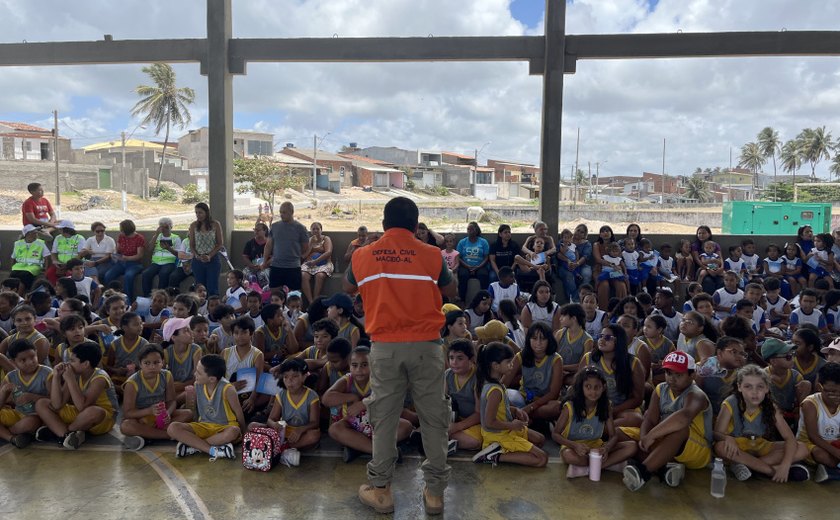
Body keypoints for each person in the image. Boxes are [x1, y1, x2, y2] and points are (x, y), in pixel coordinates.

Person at [343, 196, 455, 515]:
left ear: (383, 225)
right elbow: (451, 290)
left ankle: (381, 491)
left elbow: (348, 287)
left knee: (384, 420)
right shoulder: (433, 254)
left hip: (386, 348)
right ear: (416, 225)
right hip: (427, 347)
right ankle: (434, 494)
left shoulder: (364, 255)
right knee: (434, 419)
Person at [622, 351, 714, 492]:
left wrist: (651, 436)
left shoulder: (696, 395)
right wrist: (644, 438)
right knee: (623, 434)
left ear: (692, 375)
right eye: (669, 373)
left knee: (679, 429)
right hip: (667, 443)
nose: (672, 379)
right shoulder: (660, 389)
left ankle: (643, 472)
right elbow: (650, 419)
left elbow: (683, 418)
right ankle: (664, 469)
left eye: (679, 375)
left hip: (697, 450)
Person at [713, 364, 810, 482]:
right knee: (720, 447)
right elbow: (717, 434)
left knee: (802, 448)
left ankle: (752, 468)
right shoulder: (730, 403)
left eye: (760, 387)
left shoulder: (770, 406)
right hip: (737, 448)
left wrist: (785, 465)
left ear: (766, 388)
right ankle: (771, 471)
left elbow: (789, 438)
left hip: (759, 447)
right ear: (739, 387)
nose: (754, 392)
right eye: (748, 386)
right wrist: (728, 438)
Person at [471, 341, 548, 468]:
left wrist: (514, 410)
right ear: (495, 365)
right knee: (541, 459)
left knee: (540, 439)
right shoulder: (495, 390)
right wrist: (512, 425)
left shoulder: (495, 383)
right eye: (508, 362)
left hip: (504, 430)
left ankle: (503, 450)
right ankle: (493, 455)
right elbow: (489, 422)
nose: (512, 365)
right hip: (498, 435)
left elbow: (497, 408)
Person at [553, 366, 637, 478]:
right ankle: (607, 465)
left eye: (597, 387)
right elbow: (555, 434)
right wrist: (574, 445)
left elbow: (613, 436)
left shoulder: (606, 406)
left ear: (603, 387)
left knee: (632, 446)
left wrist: (606, 448)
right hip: (574, 448)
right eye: (588, 387)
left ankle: (588, 469)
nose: (593, 391)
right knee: (569, 456)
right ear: (581, 387)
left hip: (596, 447)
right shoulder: (570, 407)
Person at [34, 341, 118, 449]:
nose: (68, 363)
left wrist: (71, 380)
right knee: (41, 403)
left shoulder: (100, 378)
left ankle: (61, 433)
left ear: (86, 364)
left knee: (93, 411)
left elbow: (82, 406)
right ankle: (66, 435)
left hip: (103, 419)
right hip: (80, 415)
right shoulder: (75, 374)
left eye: (72, 360)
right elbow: (57, 404)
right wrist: (56, 377)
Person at [167, 354, 246, 460]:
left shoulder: (228, 389)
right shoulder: (197, 384)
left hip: (224, 428)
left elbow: (238, 412)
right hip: (204, 426)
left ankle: (193, 446)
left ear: (212, 379)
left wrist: (244, 434)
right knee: (172, 428)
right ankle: (213, 450)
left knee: (234, 431)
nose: (195, 374)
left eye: (199, 373)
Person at [120, 344, 192, 451]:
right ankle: (169, 435)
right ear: (140, 364)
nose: (152, 367)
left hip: (161, 418)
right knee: (126, 426)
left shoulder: (167, 375)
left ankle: (147, 436)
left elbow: (172, 401)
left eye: (156, 362)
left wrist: (168, 412)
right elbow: (128, 413)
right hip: (141, 418)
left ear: (162, 362)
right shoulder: (132, 382)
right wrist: (149, 411)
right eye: (147, 363)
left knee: (188, 413)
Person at [248, 358, 321, 452]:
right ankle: (285, 447)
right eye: (286, 377)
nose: (289, 381)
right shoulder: (281, 395)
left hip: (302, 433)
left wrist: (300, 430)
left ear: (304, 377)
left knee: (314, 436)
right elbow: (270, 420)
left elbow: (315, 423)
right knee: (252, 426)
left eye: (295, 376)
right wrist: (275, 424)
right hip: (284, 431)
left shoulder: (312, 396)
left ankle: (281, 448)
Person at [0, 339, 52, 448]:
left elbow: (56, 401)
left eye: (32, 357)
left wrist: (33, 397)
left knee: (29, 423)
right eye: (23, 360)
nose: (30, 362)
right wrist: (4, 391)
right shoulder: (10, 376)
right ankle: (13, 438)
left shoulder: (47, 373)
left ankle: (7, 433)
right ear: (13, 362)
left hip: (37, 416)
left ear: (36, 353)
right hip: (18, 413)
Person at [798, 362, 840, 483]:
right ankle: (832, 469)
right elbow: (813, 437)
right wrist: (837, 453)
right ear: (820, 387)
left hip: (834, 443)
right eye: (831, 391)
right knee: (821, 455)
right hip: (810, 444)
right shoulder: (810, 404)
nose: (837, 395)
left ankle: (831, 471)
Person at [262, 202, 310, 294]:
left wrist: (295, 255)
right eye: (280, 212)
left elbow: (305, 246)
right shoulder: (275, 226)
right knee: (275, 295)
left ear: (291, 212)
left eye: (284, 212)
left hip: (293, 267)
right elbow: (268, 245)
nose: (281, 215)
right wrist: (264, 261)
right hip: (276, 266)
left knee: (294, 295)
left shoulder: (300, 228)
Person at [445, 339, 482, 451]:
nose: (454, 362)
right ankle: (444, 441)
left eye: (460, 358)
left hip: (474, 422)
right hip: (455, 420)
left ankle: (440, 441)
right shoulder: (448, 375)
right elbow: (441, 403)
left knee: (474, 442)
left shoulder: (478, 378)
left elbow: (479, 414)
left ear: (471, 360)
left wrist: (456, 427)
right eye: (451, 358)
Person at [104, 220, 147, 303]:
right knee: (108, 275)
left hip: (134, 264)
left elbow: (139, 255)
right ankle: (110, 298)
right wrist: (115, 254)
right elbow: (118, 249)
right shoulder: (121, 237)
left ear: (127, 230)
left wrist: (127, 258)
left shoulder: (139, 238)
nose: (120, 231)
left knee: (128, 276)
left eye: (122, 230)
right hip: (121, 262)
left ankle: (128, 301)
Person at [189, 202, 225, 297]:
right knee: (199, 287)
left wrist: (210, 255)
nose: (198, 215)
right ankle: (201, 309)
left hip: (212, 259)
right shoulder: (193, 225)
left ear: (206, 212)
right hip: (198, 260)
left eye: (200, 212)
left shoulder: (215, 224)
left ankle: (213, 309)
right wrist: (197, 255)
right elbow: (191, 244)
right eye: (196, 213)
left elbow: (220, 243)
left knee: (212, 287)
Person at [141, 218, 182, 296]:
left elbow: (179, 254)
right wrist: (156, 234)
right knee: (146, 274)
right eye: (161, 227)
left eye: (166, 227)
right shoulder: (157, 236)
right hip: (156, 262)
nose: (164, 229)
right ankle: (147, 297)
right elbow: (149, 249)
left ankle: (161, 296)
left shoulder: (176, 238)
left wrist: (169, 249)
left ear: (171, 227)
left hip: (169, 262)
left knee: (164, 273)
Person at [301, 222, 334, 308]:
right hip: (310, 263)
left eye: (317, 229)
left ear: (321, 230)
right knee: (303, 275)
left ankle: (315, 300)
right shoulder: (310, 240)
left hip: (324, 263)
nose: (315, 230)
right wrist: (310, 246)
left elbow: (328, 252)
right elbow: (304, 256)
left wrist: (315, 261)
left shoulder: (326, 239)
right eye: (313, 229)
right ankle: (311, 302)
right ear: (311, 231)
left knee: (319, 275)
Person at [456, 221, 490, 302]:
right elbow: (458, 257)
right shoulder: (462, 242)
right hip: (465, 266)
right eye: (468, 229)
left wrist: (478, 267)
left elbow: (486, 257)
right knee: (463, 275)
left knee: (483, 275)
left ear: (476, 230)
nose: (469, 231)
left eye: (472, 229)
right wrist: (467, 266)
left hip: (480, 266)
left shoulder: (483, 242)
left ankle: (484, 300)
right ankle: (462, 300)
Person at [10, 225, 51, 291]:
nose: (36, 234)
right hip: (19, 266)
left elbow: (47, 257)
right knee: (13, 275)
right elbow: (13, 257)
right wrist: (12, 267)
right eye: (34, 233)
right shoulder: (18, 243)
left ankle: (21, 294)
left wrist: (46, 269)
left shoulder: (40, 243)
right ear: (28, 234)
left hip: (33, 267)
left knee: (25, 275)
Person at [46, 220, 85, 285]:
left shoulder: (80, 238)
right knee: (49, 273)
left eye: (61, 229)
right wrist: (55, 261)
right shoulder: (58, 238)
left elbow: (80, 255)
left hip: (73, 264)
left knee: (69, 274)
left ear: (67, 230)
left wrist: (67, 265)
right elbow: (53, 252)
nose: (59, 230)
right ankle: (55, 288)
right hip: (59, 263)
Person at [241, 222, 271, 289]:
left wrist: (264, 265)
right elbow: (245, 256)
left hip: (266, 267)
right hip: (252, 266)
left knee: (263, 275)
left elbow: (274, 257)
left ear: (265, 231)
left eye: (258, 230)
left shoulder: (270, 243)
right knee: (245, 273)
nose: (256, 231)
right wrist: (251, 265)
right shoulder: (250, 243)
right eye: (255, 229)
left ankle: (264, 291)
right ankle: (250, 289)